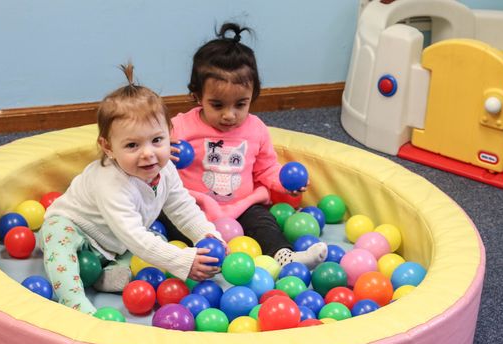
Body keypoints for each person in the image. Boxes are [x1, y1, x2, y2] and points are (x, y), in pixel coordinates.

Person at [40, 64, 222, 314]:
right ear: (108, 148)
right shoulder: (110, 182)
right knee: (58, 239)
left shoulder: (165, 170)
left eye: (157, 140)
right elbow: (134, 235)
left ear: (170, 134)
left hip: (117, 241)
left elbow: (181, 206)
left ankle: (105, 275)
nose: (148, 154)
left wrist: (204, 234)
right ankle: (73, 300)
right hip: (78, 228)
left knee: (156, 240)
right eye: (132, 145)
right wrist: (183, 261)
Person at [168, 22, 327, 269]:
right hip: (193, 206)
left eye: (240, 104)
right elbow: (155, 152)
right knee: (170, 220)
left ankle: (285, 257)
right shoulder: (180, 127)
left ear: (252, 96)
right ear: (198, 96)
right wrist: (163, 152)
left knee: (264, 224)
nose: (229, 115)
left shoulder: (256, 129)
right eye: (218, 105)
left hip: (240, 207)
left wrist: (285, 184)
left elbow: (266, 169)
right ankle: (182, 259)